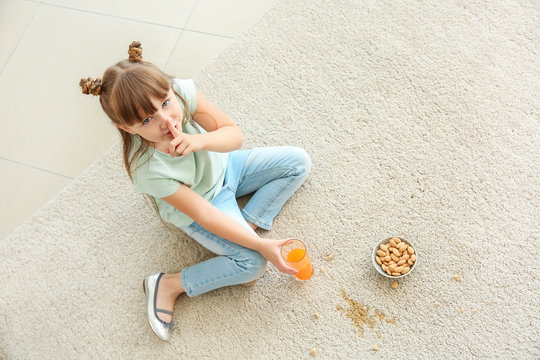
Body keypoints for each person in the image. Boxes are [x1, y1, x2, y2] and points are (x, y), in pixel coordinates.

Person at [79, 41, 311, 341]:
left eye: (165, 103)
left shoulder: (179, 92)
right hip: (203, 203)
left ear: (170, 89)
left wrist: (200, 142)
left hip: (228, 166)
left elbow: (234, 135)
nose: (167, 121)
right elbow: (203, 213)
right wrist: (260, 247)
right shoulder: (146, 169)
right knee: (253, 264)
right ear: (125, 127)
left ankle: (246, 224)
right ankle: (169, 285)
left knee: (298, 162)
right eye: (147, 120)